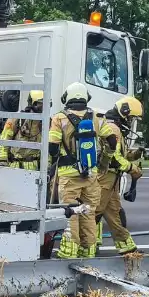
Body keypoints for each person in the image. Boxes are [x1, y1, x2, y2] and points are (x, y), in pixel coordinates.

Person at [48, 82, 101, 258]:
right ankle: (88, 252)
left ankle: (69, 253)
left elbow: (53, 146)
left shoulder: (59, 118)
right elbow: (105, 142)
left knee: (71, 212)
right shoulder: (94, 117)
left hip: (68, 174)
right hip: (90, 173)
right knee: (88, 211)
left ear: (67, 97)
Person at [95, 96, 144, 255]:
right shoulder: (114, 129)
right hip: (105, 178)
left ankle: (127, 249)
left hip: (111, 180)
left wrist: (135, 155)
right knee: (94, 213)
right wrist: (133, 169)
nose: (131, 122)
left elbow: (120, 154)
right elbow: (115, 158)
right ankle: (86, 247)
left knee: (114, 214)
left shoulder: (116, 128)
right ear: (124, 113)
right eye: (131, 118)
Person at [0, 90, 43, 170]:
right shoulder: (17, 119)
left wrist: (48, 166)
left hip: (35, 169)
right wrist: (2, 161)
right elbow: (4, 141)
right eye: (40, 104)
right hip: (16, 167)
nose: (43, 107)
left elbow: (47, 148)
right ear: (33, 103)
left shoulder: (45, 122)